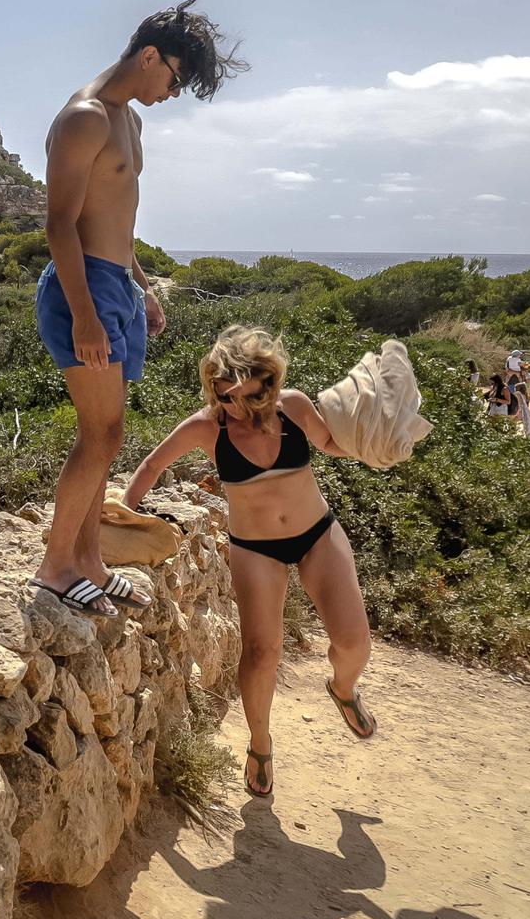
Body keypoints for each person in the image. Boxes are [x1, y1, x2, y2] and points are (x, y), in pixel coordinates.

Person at [26, 0, 246, 617]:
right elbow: (61, 225)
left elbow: (114, 216)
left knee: (111, 433)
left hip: (116, 283)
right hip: (82, 291)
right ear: (150, 55)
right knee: (98, 435)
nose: (173, 94)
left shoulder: (131, 118)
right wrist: (90, 313)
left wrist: (141, 283)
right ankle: (55, 566)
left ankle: (89, 558)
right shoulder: (85, 118)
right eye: (176, 78)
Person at [124, 326, 376, 800]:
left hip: (317, 534)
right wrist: (125, 511)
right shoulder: (206, 426)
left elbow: (331, 444)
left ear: (270, 382)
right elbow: (153, 465)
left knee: (354, 643)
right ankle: (260, 742)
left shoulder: (295, 406)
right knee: (262, 652)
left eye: (248, 396)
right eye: (225, 396)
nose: (237, 407)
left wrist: (376, 442)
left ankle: (343, 689)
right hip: (256, 548)